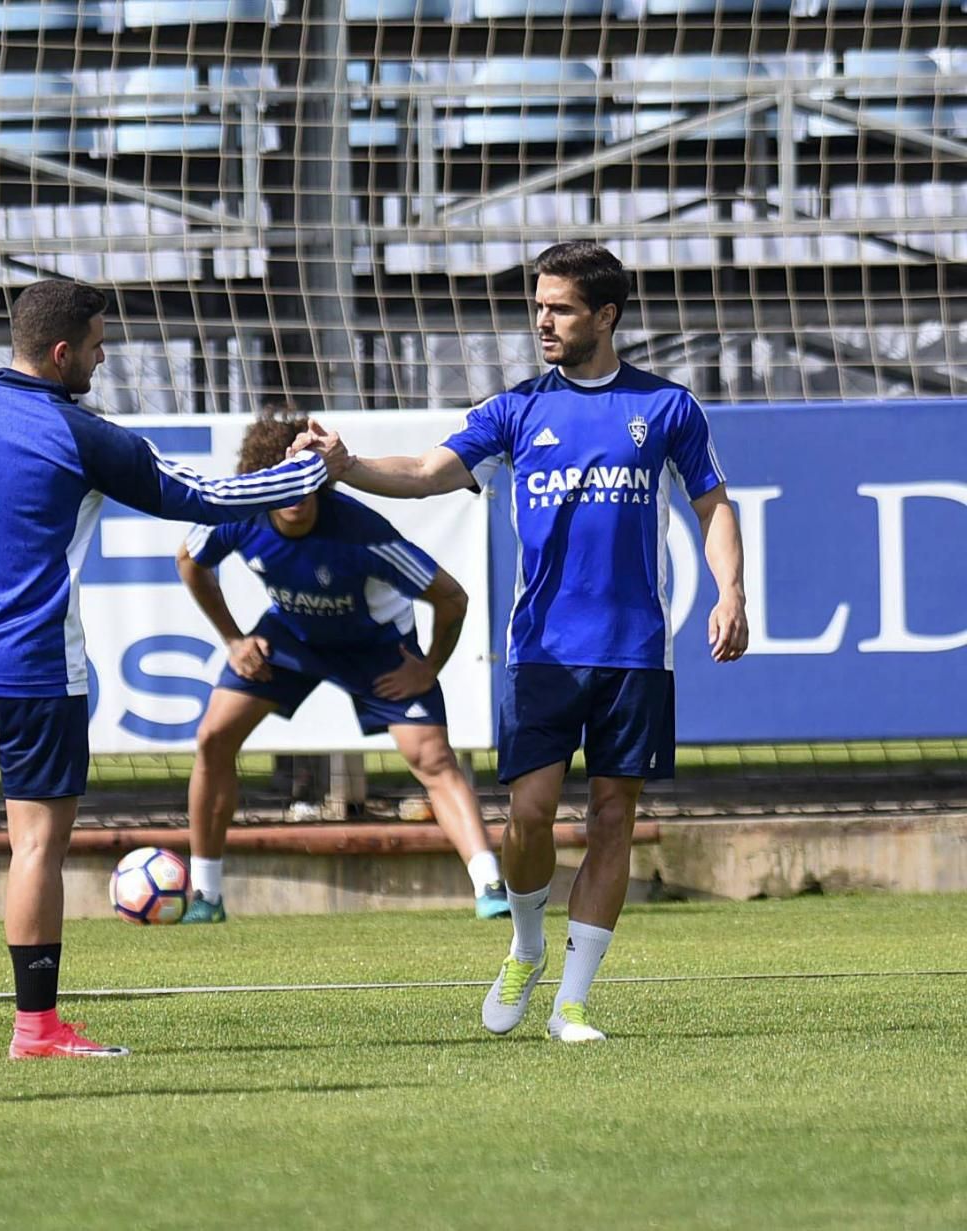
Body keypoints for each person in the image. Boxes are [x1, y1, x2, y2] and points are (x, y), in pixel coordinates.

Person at [0, 280, 345, 1064]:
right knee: (35, 848)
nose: (103, 358)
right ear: (62, 352)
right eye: (98, 345)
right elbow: (202, 497)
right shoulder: (85, 434)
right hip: (39, 674)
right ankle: (35, 1030)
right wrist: (307, 475)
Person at [293, 241, 748, 1043]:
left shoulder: (669, 408)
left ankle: (573, 1002)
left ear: (605, 316)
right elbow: (430, 469)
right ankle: (528, 943)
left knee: (613, 818)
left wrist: (731, 590)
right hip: (541, 649)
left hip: (636, 651)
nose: (542, 319)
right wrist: (349, 465)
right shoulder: (516, 410)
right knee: (531, 814)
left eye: (560, 307)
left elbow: (713, 504)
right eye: (538, 304)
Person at [176, 413, 509, 924]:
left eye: (308, 476)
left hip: (376, 647)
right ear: (263, 481)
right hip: (291, 638)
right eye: (283, 478)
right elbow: (189, 561)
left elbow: (452, 598)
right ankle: (206, 894)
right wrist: (234, 639)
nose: (296, 490)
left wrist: (428, 669)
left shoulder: (361, 533)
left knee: (432, 758)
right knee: (214, 737)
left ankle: (489, 884)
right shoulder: (241, 518)